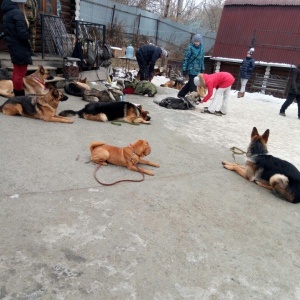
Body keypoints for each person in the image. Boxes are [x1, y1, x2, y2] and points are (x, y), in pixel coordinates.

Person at [1, 0, 32, 96]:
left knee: (16, 72)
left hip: (13, 46)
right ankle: (20, 98)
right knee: (20, 73)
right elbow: (22, 34)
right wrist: (28, 36)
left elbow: (8, 32)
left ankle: (17, 97)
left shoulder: (7, 14)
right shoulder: (17, 13)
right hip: (20, 47)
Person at [177, 34, 205, 98]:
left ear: (200, 41)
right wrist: (184, 69)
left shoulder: (202, 48)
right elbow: (186, 59)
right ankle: (193, 98)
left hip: (198, 69)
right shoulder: (190, 48)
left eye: (198, 41)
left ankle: (181, 94)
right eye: (195, 41)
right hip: (191, 68)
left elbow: (202, 59)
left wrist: (202, 68)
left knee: (190, 83)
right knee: (193, 84)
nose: (196, 43)